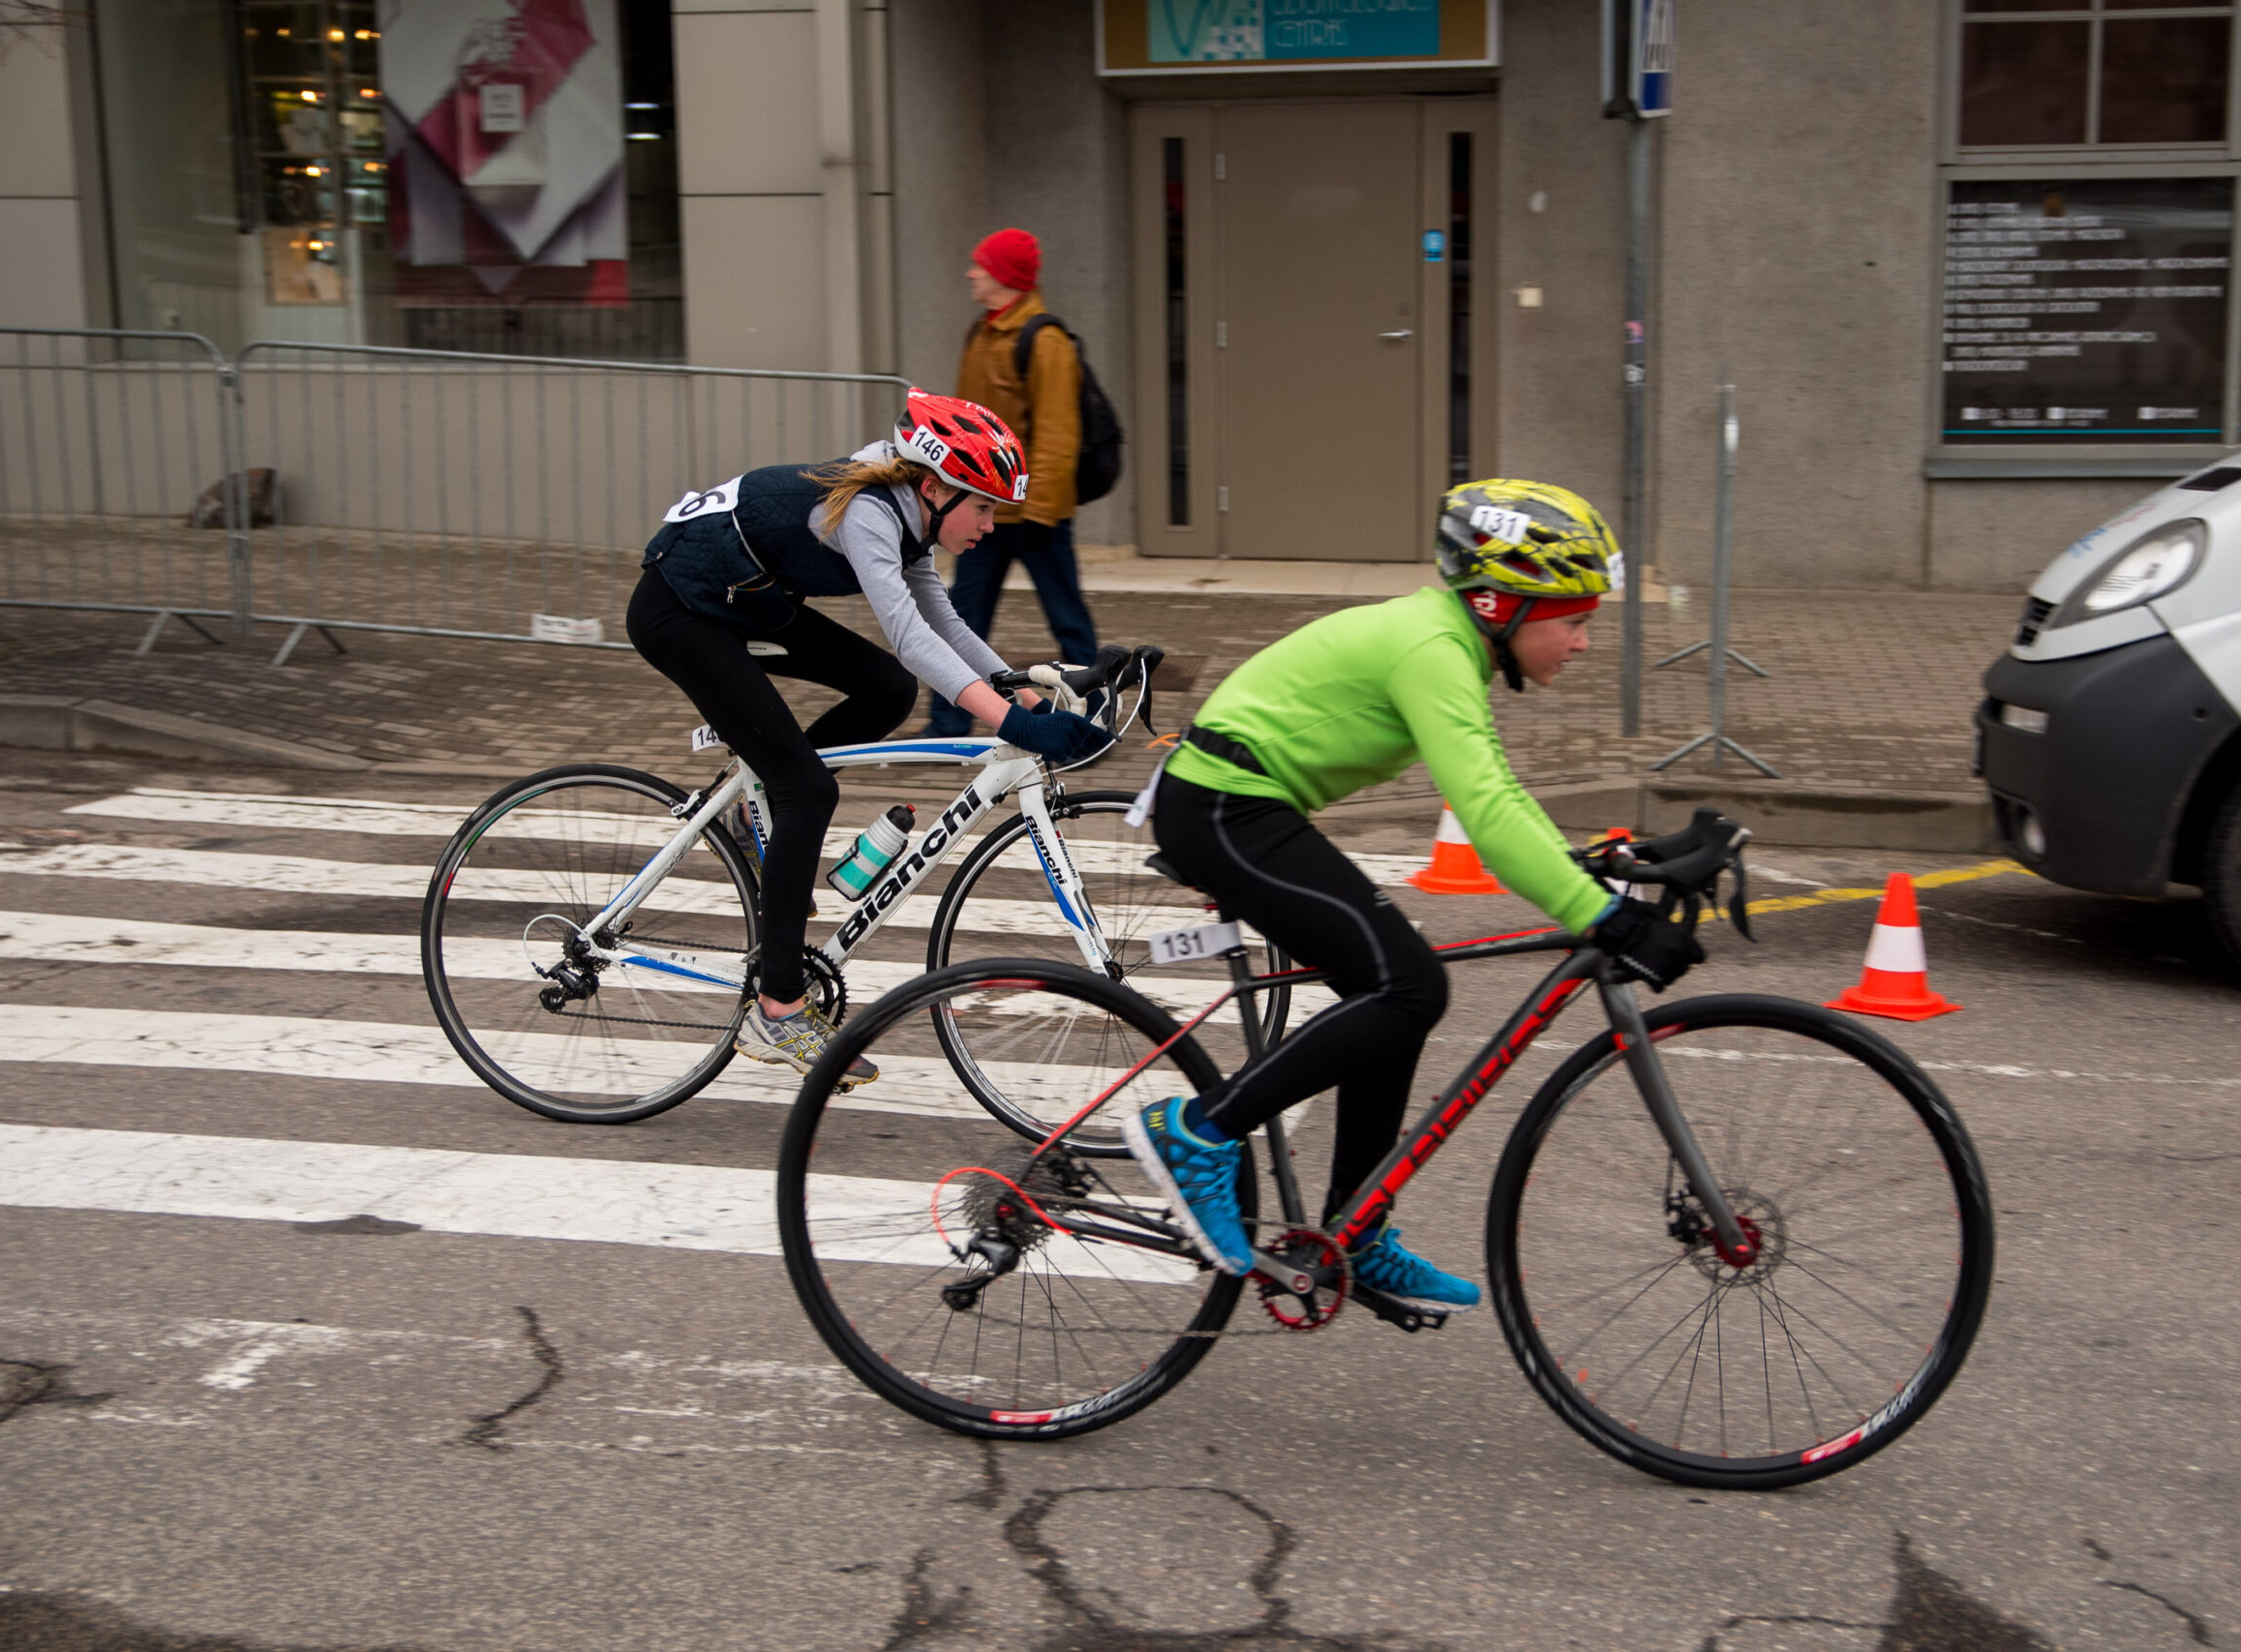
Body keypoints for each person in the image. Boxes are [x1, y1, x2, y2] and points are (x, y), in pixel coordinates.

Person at [1130, 480, 1703, 1314]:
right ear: (1502, 604)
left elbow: (1498, 790)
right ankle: (1199, 1130)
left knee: (1394, 997)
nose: (1583, 643)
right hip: (1223, 806)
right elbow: (1486, 811)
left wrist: (1594, 868)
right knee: (1409, 987)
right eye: (1574, 620)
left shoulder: (1449, 643)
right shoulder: (1433, 647)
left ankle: (1354, 1231)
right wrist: (1602, 915)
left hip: (1241, 804)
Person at [625, 389, 1111, 1080]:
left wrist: (1026, 696)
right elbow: (910, 636)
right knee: (807, 791)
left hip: (747, 600)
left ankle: (757, 808)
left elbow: (942, 622)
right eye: (983, 506)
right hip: (681, 610)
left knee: (888, 690)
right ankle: (777, 1010)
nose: (990, 525)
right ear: (936, 487)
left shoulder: (912, 516)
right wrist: (1015, 723)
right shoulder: (869, 512)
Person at [924, 227, 1101, 736]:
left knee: (1068, 624)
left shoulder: (1045, 342)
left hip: (1035, 515)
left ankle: (1093, 722)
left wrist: (1040, 511)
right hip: (983, 509)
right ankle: (947, 726)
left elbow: (1058, 434)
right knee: (960, 619)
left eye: (980, 266)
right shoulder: (982, 333)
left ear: (1004, 275)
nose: (970, 273)